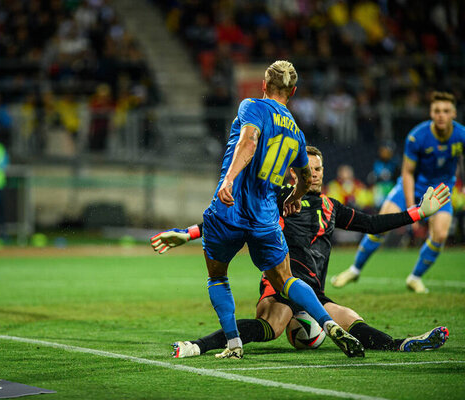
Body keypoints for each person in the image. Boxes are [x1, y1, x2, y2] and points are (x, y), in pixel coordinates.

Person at [151, 146, 450, 358]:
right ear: (295, 173)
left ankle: (401, 345)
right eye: (309, 169)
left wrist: (418, 213)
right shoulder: (277, 198)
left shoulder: (332, 207)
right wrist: (187, 233)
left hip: (313, 290)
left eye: (319, 168)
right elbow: (229, 219)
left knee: (344, 319)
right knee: (274, 325)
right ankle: (198, 345)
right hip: (281, 280)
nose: (315, 174)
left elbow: (372, 223)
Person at [197, 60, 363, 359]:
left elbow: (248, 141)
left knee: (218, 276)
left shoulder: (253, 106)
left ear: (264, 85)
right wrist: (294, 198)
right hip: (265, 218)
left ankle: (234, 344)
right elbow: (304, 178)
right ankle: (327, 323)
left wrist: (229, 180)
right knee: (285, 280)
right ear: (294, 91)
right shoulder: (297, 133)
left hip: (229, 210)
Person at [332, 91, 465, 294]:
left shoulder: (461, 135)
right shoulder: (417, 137)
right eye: (437, 110)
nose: (441, 115)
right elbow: (408, 172)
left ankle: (415, 277)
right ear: (430, 112)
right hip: (411, 187)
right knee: (382, 223)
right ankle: (354, 269)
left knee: (440, 234)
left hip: (441, 191)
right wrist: (414, 207)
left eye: (446, 111)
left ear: (454, 113)